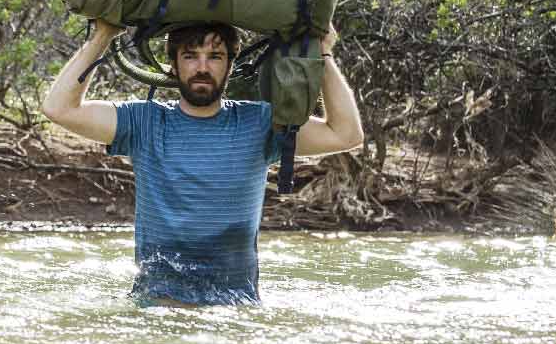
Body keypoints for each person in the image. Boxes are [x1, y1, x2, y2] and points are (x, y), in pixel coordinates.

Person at [42, 20, 363, 306]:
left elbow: (346, 134)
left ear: (230, 65)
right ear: (173, 66)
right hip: (157, 308)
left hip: (235, 310)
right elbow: (59, 109)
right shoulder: (144, 121)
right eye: (190, 55)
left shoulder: (260, 124)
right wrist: (102, 35)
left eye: (215, 56)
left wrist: (323, 55)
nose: (202, 67)